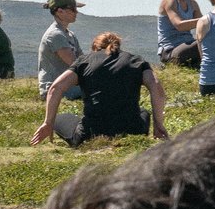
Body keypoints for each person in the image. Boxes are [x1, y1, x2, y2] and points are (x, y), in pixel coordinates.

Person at [34, 32, 170, 146]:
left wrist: (48, 123)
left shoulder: (84, 61)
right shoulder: (136, 61)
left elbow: (55, 88)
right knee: (143, 112)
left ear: (95, 47)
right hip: (133, 130)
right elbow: (156, 87)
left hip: (89, 133)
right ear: (118, 46)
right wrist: (158, 125)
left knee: (60, 118)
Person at [156, 0, 203, 68]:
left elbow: (204, 27)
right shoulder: (169, 1)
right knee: (204, 43)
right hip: (171, 51)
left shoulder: (192, 3)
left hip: (188, 45)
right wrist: (206, 19)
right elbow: (179, 25)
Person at [37, 0, 85, 92]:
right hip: (55, 88)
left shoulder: (70, 35)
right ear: (60, 11)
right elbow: (75, 63)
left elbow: (82, 60)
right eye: (73, 9)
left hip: (66, 85)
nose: (76, 12)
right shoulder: (55, 35)